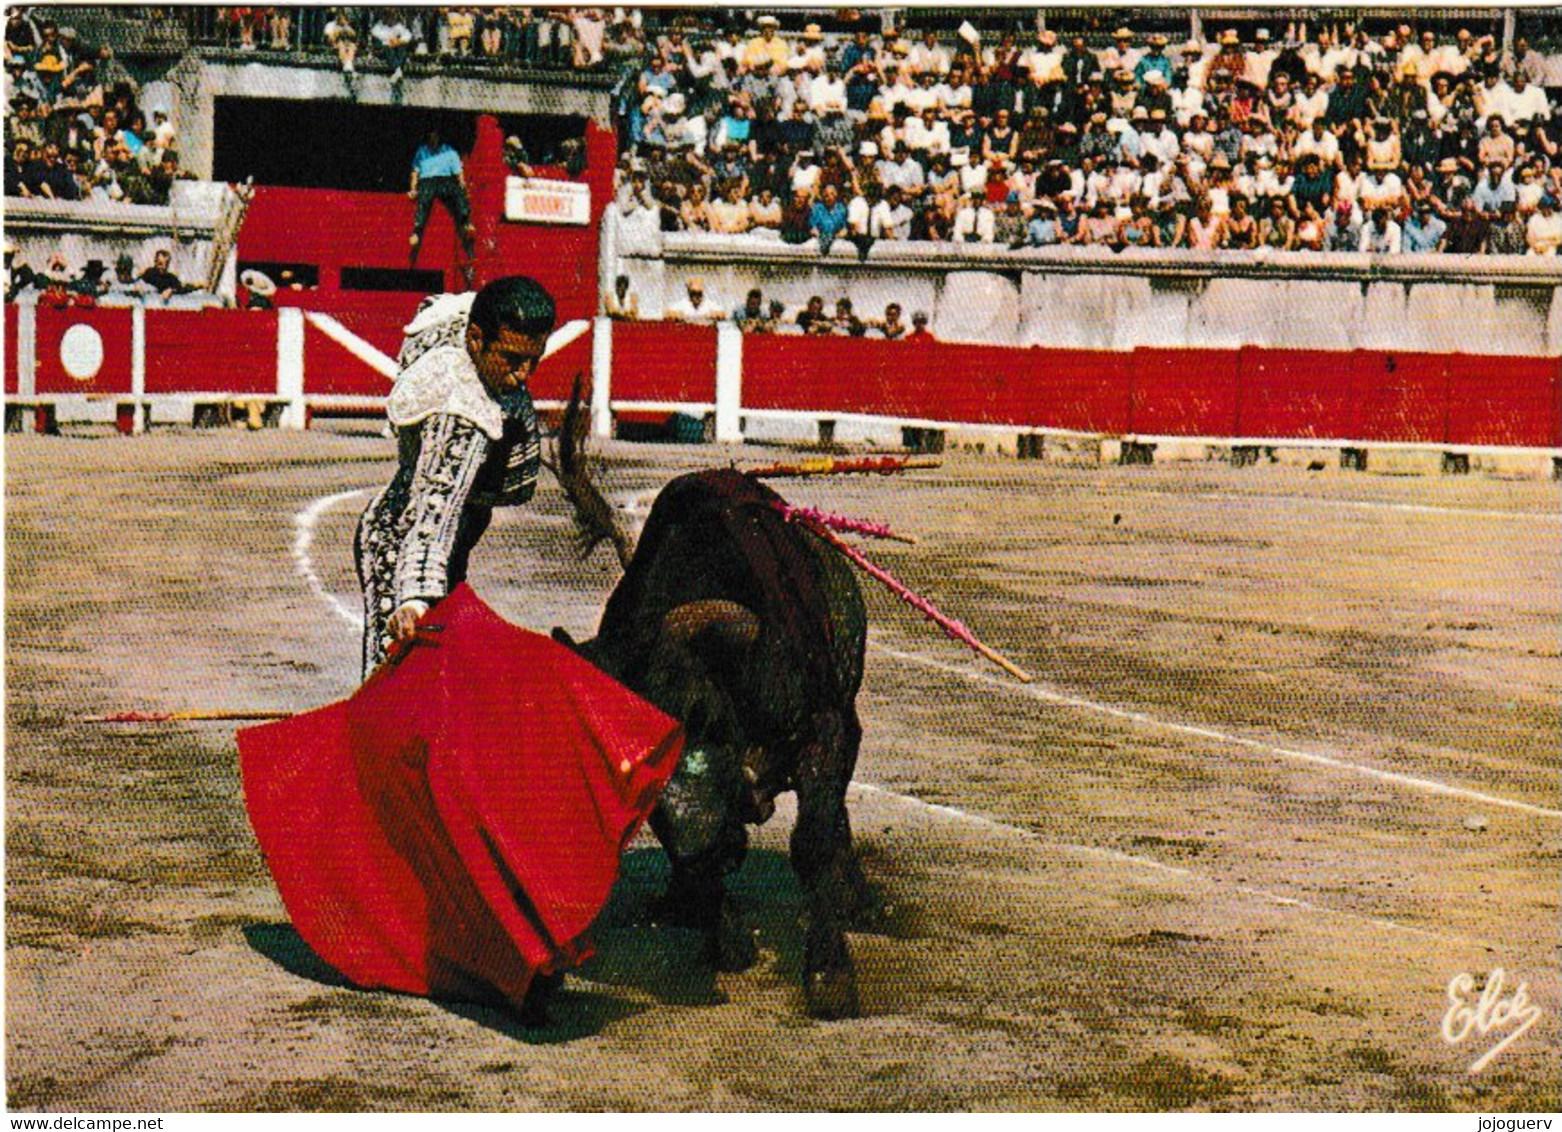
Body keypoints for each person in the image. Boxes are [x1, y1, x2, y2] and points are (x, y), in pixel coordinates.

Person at [355, 277, 556, 678]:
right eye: (513, 359)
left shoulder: (461, 324)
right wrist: (412, 599)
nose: (524, 375)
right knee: (396, 683)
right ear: (476, 339)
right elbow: (433, 514)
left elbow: (437, 304)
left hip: (447, 540)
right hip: (401, 547)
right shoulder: (461, 415)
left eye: (534, 360)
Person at [408, 129, 477, 286]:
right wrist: (413, 188)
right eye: (430, 135)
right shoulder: (422, 151)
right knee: (424, 199)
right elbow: (415, 171)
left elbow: (458, 171)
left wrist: (462, 185)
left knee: (456, 193)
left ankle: (466, 222)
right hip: (427, 181)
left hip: (445, 179)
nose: (433, 138)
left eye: (435, 135)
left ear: (439, 137)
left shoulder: (449, 151)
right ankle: (417, 232)